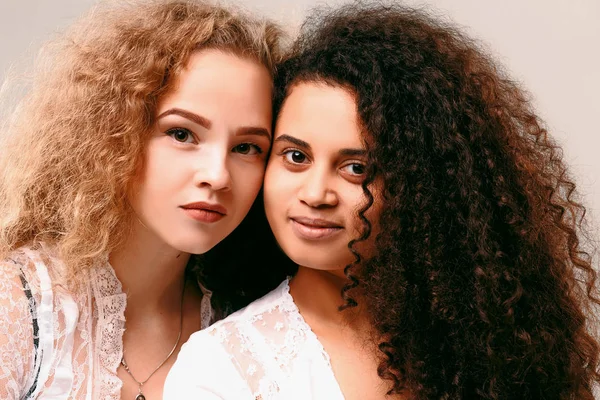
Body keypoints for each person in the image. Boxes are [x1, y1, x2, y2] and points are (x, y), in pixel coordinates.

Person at [164, 3, 600, 399]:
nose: (315, 195)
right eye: (295, 157)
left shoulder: (491, 339)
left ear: (422, 185)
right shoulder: (220, 370)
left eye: (357, 168)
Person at [0, 0, 292, 398]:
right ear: (113, 132)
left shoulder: (251, 328)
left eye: (246, 147)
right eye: (182, 134)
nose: (218, 175)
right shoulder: (20, 307)